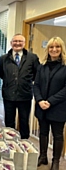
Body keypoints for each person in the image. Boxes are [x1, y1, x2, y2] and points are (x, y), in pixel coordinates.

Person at [0, 33, 40, 139]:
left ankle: (24, 143)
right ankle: (9, 142)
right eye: (15, 41)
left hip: (25, 95)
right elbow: (1, 74)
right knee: (9, 121)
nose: (17, 43)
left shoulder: (32, 58)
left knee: (24, 121)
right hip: (9, 95)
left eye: (20, 41)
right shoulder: (4, 58)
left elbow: (36, 74)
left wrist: (25, 82)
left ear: (24, 43)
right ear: (11, 43)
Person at [34, 37, 66, 170]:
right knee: (43, 132)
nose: (54, 49)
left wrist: (50, 101)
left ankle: (56, 161)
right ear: (48, 49)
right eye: (51, 47)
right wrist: (40, 100)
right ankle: (43, 156)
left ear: (61, 49)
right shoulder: (42, 67)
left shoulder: (65, 67)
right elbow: (36, 85)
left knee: (57, 135)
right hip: (42, 106)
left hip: (58, 107)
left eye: (57, 47)